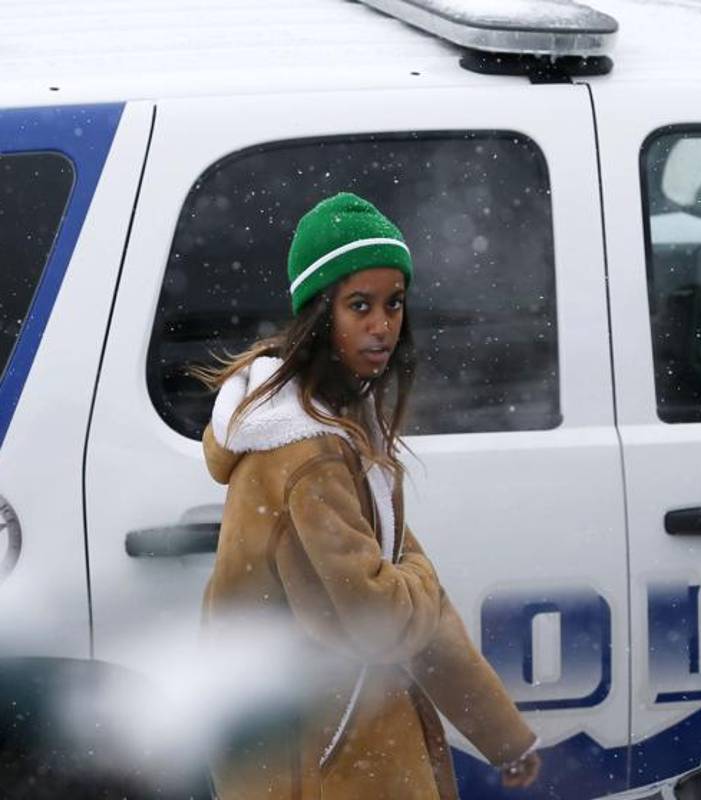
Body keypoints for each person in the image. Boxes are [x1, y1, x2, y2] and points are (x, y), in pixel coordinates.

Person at [195, 192, 541, 798]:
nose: (383, 326)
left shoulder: (342, 426)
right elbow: (382, 617)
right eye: (360, 306)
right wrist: (420, 577)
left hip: (342, 747)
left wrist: (502, 737)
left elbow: (415, 614)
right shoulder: (307, 456)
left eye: (394, 303)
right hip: (320, 763)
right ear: (318, 314)